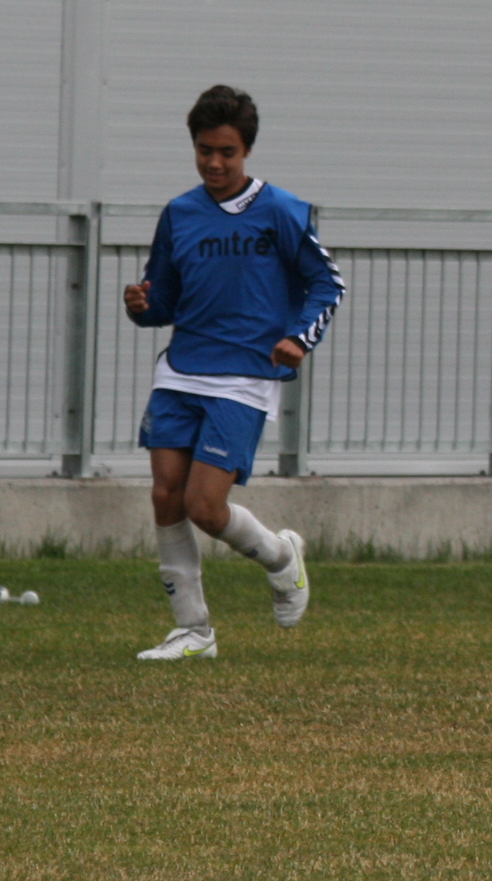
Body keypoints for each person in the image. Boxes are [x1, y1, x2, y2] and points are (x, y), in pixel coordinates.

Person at [121, 86, 342, 660]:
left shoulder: (282, 211)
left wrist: (299, 337)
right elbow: (164, 299)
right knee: (165, 495)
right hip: (181, 370)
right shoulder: (180, 214)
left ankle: (281, 557)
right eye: (204, 151)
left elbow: (327, 284)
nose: (215, 163)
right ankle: (193, 631)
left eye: (227, 152)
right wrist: (142, 305)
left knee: (204, 506)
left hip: (245, 376)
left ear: (247, 151)